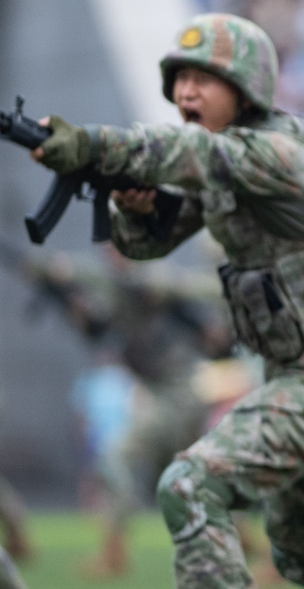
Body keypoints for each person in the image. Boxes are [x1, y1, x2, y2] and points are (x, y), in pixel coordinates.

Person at [29, 13, 304, 589]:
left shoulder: (281, 153)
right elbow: (147, 243)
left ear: (247, 88)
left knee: (190, 484)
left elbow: (188, 152)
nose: (185, 92)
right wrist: (137, 207)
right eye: (179, 80)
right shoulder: (224, 167)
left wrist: (93, 145)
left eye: (203, 78)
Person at [23, 247, 225, 580]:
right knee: (196, 481)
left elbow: (146, 286)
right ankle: (248, 543)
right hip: (161, 393)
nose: (110, 253)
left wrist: (68, 270)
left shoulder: (152, 278)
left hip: (179, 395)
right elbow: (99, 326)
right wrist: (70, 299)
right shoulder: (116, 292)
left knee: (119, 456)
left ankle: (113, 553)